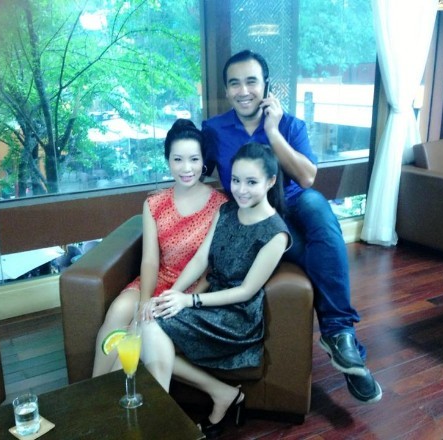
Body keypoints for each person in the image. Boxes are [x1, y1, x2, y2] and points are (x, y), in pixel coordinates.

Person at [201, 49, 382, 404]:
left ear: (266, 85)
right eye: (234, 83)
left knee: (316, 204)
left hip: (296, 204)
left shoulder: (290, 125)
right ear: (226, 89)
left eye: (251, 81)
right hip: (259, 216)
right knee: (313, 254)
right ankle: (343, 341)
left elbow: (307, 177)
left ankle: (340, 333)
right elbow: (196, 169)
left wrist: (272, 131)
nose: (243, 91)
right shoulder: (214, 130)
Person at [141, 142, 291, 438]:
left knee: (150, 328)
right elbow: (201, 260)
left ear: (271, 181)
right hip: (208, 300)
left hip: (236, 317)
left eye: (251, 182)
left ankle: (157, 427)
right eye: (236, 180)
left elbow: (246, 291)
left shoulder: (276, 233)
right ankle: (218, 395)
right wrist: (172, 295)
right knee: (149, 325)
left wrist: (188, 300)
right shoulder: (226, 210)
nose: (241, 190)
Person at [92, 119, 227, 377]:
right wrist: (145, 301)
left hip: (191, 289)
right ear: (168, 161)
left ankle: (117, 392)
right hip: (158, 280)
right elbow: (150, 261)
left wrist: (172, 302)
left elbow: (212, 267)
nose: (186, 168)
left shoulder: (220, 205)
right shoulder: (154, 204)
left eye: (194, 159)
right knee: (120, 309)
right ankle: (94, 389)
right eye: (178, 159)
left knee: (137, 333)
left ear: (203, 161)